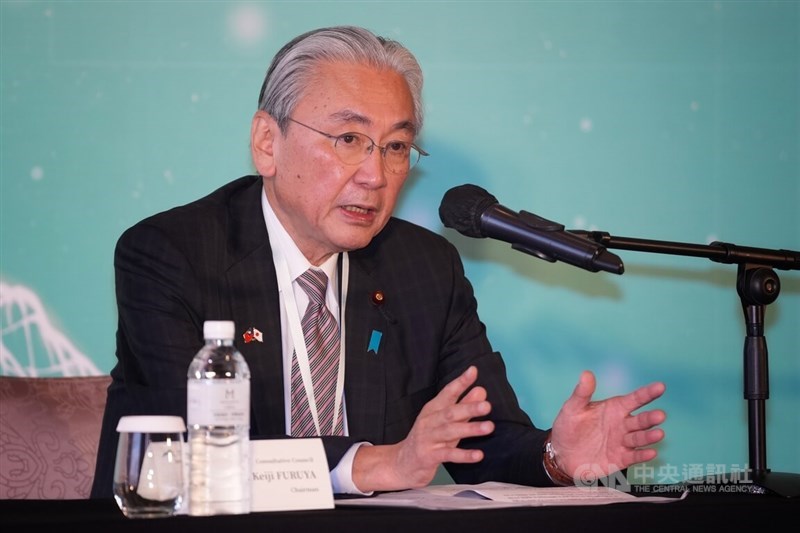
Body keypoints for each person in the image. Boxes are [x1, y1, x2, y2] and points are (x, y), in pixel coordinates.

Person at [91, 25, 666, 498]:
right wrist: (377, 465)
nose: (375, 174)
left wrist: (554, 457)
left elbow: (478, 440)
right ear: (268, 142)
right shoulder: (172, 254)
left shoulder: (424, 269)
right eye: (348, 139)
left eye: (395, 147)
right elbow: (193, 459)